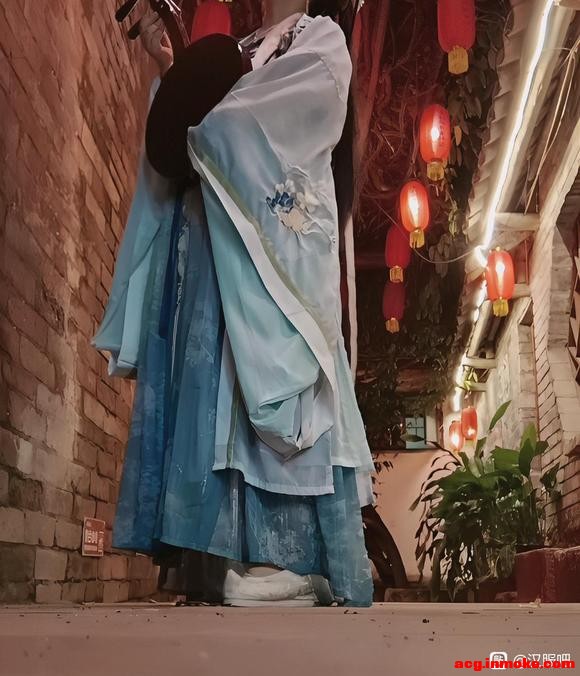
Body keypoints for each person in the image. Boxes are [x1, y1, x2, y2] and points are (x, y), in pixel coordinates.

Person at [93, 0, 374, 607]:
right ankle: (219, 557)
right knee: (214, 391)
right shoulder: (243, 46)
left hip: (266, 257)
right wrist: (174, 73)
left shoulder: (319, 39)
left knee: (265, 382)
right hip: (211, 252)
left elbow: (284, 116)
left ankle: (289, 558)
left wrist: (207, 117)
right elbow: (191, 131)